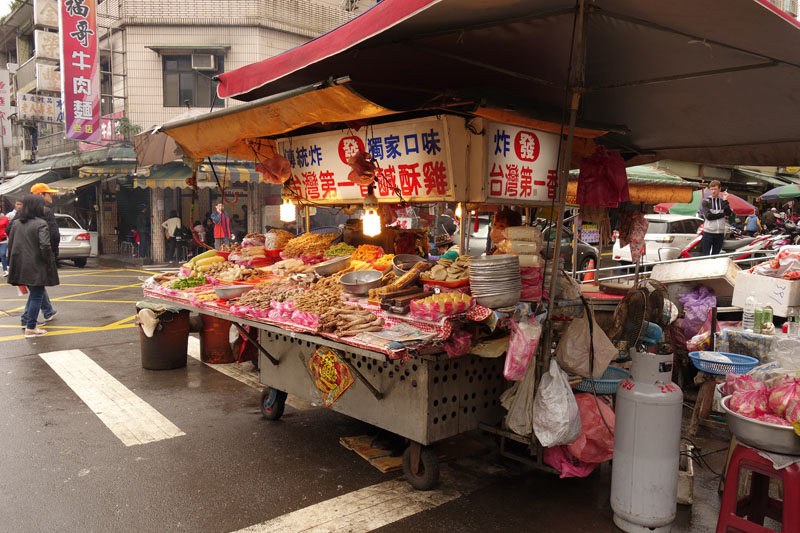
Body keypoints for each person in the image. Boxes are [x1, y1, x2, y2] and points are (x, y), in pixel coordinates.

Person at [7, 194, 60, 338]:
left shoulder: (17, 223)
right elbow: (45, 246)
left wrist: (11, 263)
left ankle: (29, 323)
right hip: (36, 265)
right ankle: (30, 327)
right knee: (37, 295)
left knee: (35, 294)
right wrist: (49, 262)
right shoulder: (40, 223)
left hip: (20, 264)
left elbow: (11, 245)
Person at [700, 180, 732, 256]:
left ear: (719, 189)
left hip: (720, 233)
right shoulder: (706, 202)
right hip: (708, 232)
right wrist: (722, 214)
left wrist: (725, 200)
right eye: (711, 189)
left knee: (716, 256)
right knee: (705, 255)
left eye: (715, 189)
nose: (713, 191)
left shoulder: (722, 202)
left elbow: (728, 213)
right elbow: (709, 216)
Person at [0, 210, 8, 276]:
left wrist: (6, 234)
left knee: (3, 254)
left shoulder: (5, 218)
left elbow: (8, 228)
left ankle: (5, 270)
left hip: (3, 239)